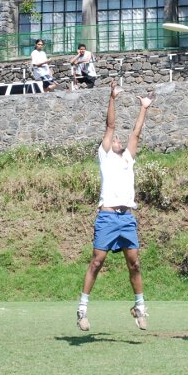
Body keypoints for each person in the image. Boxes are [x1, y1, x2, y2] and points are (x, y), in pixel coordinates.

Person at [76, 79, 154, 332]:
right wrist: (112, 98)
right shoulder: (106, 156)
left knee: (135, 263)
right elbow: (111, 125)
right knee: (97, 261)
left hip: (126, 218)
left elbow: (136, 133)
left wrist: (144, 107)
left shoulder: (128, 158)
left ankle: (140, 308)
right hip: (108, 217)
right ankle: (82, 310)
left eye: (120, 140)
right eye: (116, 139)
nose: (119, 140)